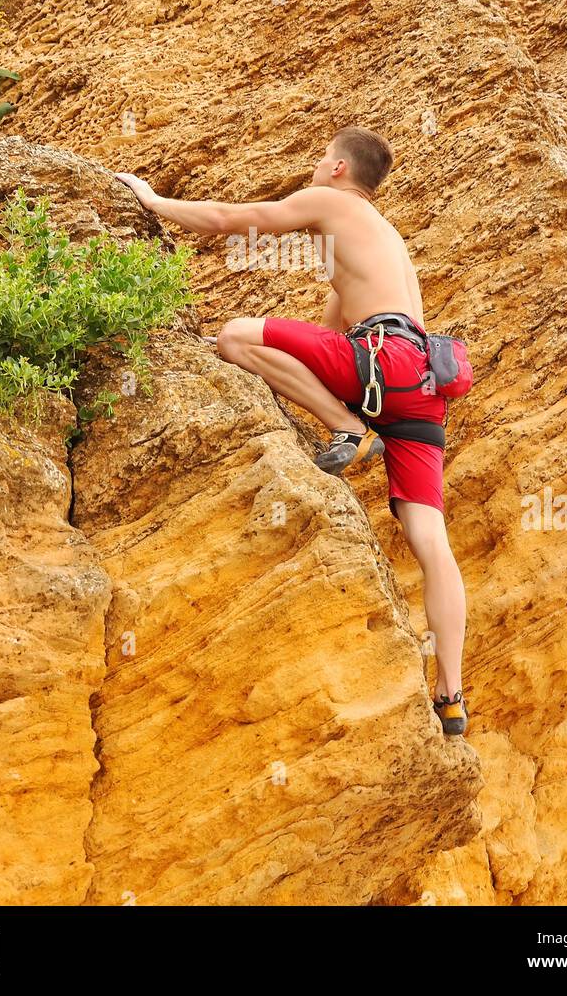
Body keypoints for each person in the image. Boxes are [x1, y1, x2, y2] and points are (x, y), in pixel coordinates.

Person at [115, 126, 468, 735]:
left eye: (318, 159)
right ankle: (453, 696)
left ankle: (348, 431)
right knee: (430, 539)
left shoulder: (335, 202)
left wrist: (152, 200)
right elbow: (327, 337)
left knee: (233, 335)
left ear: (337, 168)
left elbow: (234, 218)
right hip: (422, 386)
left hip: (382, 363)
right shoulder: (384, 240)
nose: (312, 168)